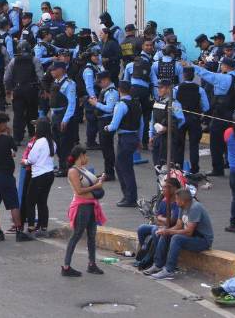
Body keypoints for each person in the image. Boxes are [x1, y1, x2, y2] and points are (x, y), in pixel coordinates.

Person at [144, 188, 214, 280]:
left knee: (176, 238)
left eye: (177, 199)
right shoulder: (182, 207)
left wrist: (168, 231)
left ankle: (169, 270)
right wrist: (166, 231)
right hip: (192, 236)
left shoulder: (195, 208)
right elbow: (178, 226)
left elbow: (189, 232)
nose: (175, 201)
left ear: (183, 201)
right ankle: (158, 265)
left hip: (202, 240)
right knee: (166, 234)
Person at [0, 112, 34, 242]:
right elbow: (14, 151)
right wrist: (9, 134)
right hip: (6, 176)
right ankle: (19, 231)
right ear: (0, 124)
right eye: (5, 123)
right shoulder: (7, 139)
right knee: (14, 205)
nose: (6, 125)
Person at [62, 146, 107, 277]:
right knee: (76, 235)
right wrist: (97, 186)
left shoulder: (83, 169)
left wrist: (99, 179)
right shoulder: (73, 171)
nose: (87, 158)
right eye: (85, 155)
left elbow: (89, 184)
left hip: (91, 205)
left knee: (92, 235)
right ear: (80, 156)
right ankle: (66, 266)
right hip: (81, 207)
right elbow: (79, 190)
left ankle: (92, 264)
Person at [104, 80, 143, 207]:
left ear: (119, 90)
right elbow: (141, 124)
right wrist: (140, 139)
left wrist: (107, 128)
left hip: (125, 138)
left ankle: (129, 197)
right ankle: (129, 196)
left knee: (123, 168)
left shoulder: (121, 105)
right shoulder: (136, 103)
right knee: (125, 167)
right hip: (134, 136)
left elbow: (114, 125)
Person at [135, 178, 181, 271]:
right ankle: (145, 253)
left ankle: (156, 258)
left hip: (172, 228)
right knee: (142, 228)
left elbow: (172, 221)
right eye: (163, 187)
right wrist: (162, 220)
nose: (163, 189)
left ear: (174, 189)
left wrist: (161, 219)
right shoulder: (164, 200)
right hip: (161, 225)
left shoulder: (178, 202)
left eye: (166, 187)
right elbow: (156, 218)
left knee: (155, 230)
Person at [21, 119, 56, 237]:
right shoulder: (52, 142)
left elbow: (31, 159)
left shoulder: (39, 142)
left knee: (30, 201)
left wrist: (24, 161)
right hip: (49, 174)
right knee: (42, 201)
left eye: (36, 127)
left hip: (38, 175)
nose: (35, 129)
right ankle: (43, 227)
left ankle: (31, 227)